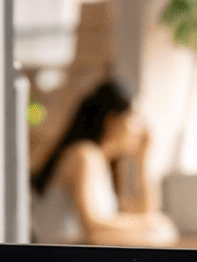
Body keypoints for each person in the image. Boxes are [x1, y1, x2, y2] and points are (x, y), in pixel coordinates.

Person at [29, 80, 177, 246]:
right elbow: (94, 230)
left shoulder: (101, 163)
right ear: (113, 120)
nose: (141, 127)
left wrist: (143, 161)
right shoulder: (83, 155)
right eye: (135, 117)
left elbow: (144, 212)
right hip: (60, 257)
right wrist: (151, 225)